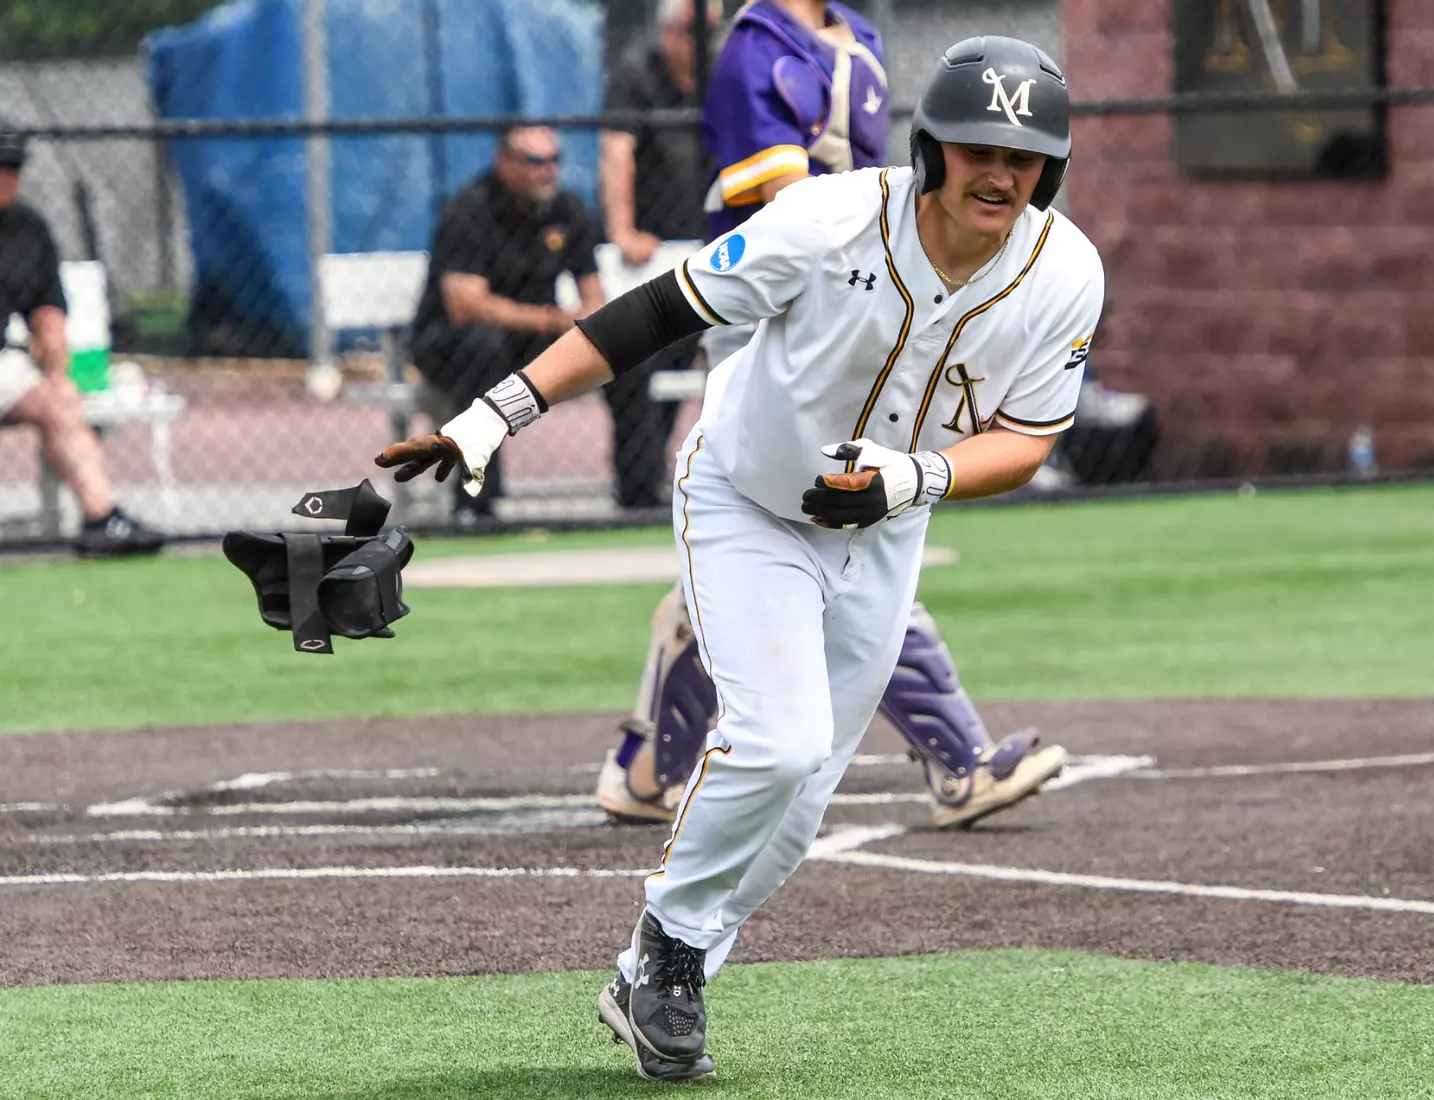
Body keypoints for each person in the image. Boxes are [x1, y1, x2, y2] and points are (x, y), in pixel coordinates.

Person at [377, 37, 1103, 1081]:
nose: (1000, 172)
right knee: (777, 738)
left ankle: (653, 977)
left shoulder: (1064, 271)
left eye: (1024, 156)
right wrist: (497, 414)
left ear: (1051, 169)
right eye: (976, 146)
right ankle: (671, 939)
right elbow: (653, 314)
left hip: (882, 528)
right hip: (746, 500)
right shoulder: (830, 218)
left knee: (805, 792)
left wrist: (912, 480)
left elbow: (1028, 439)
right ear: (932, 146)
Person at [593, 0, 1071, 834]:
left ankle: (648, 764)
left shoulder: (860, 35)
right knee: (844, 527)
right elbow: (794, 206)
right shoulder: (756, 47)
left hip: (879, 308)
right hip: (787, 309)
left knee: (808, 539)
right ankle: (957, 759)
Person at [410, 125, 605, 530]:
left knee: (623, 347)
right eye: (535, 161)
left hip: (528, 341)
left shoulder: (566, 210)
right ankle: (476, 501)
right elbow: (465, 305)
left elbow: (595, 298)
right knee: (482, 349)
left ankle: (641, 494)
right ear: (505, 163)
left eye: (554, 160)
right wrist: (551, 319)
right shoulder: (469, 209)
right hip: (449, 342)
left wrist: (582, 323)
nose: (546, 170)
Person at [0, 121, 165, 557]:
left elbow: (47, 307)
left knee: (61, 399)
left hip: (3, 365)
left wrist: (52, 343)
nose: (7, 177)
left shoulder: (27, 227)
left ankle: (101, 519)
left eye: (13, 167)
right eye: (0, 167)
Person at [598, 0, 719, 509]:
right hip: (653, 253)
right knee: (640, 356)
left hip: (715, 244)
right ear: (671, 33)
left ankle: (717, 479)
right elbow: (617, 152)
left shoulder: (724, 72)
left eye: (712, 33)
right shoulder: (637, 74)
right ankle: (638, 486)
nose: (706, 43)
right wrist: (623, 230)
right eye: (696, 33)